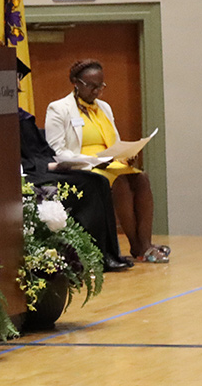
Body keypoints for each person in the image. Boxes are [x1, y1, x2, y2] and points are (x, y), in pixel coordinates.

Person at [45, 59, 167, 263]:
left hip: (111, 162)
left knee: (141, 178)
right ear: (76, 82)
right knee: (119, 182)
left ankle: (144, 242)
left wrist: (127, 153)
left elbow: (115, 142)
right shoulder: (59, 109)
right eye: (91, 86)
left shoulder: (104, 108)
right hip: (82, 166)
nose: (96, 91)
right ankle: (138, 245)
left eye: (100, 86)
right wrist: (93, 160)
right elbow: (57, 151)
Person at [16, 61, 130, 272]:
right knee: (90, 185)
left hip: (42, 168)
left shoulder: (21, 116)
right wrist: (50, 165)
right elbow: (21, 157)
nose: (17, 83)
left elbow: (40, 151)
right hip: (24, 174)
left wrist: (51, 164)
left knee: (98, 181)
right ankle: (90, 258)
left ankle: (107, 254)